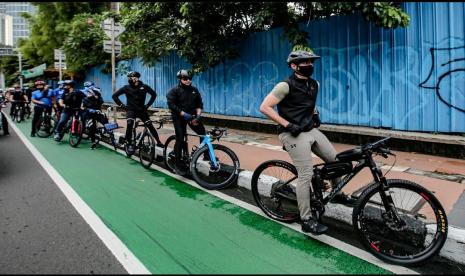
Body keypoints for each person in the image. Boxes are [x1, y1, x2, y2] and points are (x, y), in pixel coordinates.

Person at [259, 49, 355, 235]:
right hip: (292, 133)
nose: (309, 65)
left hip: (310, 129)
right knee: (306, 173)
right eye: (305, 62)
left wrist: (315, 114)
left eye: (311, 62)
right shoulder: (284, 86)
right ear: (294, 66)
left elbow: (309, 103)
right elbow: (265, 107)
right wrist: (287, 124)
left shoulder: (314, 84)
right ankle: (306, 219)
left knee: (337, 161)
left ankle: (338, 195)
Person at [112, 71, 164, 154]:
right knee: (129, 123)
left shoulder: (144, 87)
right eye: (128, 78)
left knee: (149, 125)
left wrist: (147, 105)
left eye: (131, 77)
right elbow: (114, 96)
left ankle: (158, 142)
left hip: (142, 110)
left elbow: (154, 94)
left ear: (136, 78)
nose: (129, 79)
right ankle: (128, 143)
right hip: (131, 110)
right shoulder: (126, 87)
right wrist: (122, 106)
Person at [166, 69, 206, 174]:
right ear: (180, 79)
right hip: (179, 117)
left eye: (189, 79)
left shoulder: (194, 90)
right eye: (185, 79)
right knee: (180, 138)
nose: (188, 80)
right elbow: (171, 105)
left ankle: (205, 155)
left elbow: (199, 104)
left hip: (192, 116)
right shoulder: (174, 90)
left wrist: (197, 116)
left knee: (203, 134)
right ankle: (177, 162)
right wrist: (183, 114)